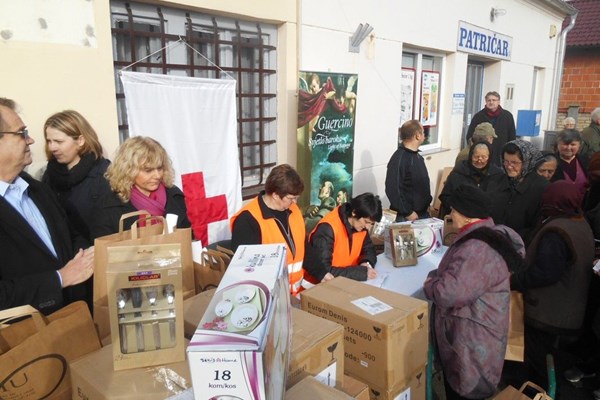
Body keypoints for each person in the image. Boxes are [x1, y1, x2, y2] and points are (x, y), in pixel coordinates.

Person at [424, 184, 525, 400]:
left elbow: (448, 293)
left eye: (453, 210)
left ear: (467, 215)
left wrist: (431, 282)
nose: (450, 215)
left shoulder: (476, 249)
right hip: (480, 333)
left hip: (471, 342)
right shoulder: (489, 235)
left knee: (465, 392)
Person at [0, 98, 94, 314]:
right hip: (28, 340)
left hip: (77, 321)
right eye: (21, 133)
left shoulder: (38, 189)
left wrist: (89, 254)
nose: (31, 140)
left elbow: (71, 236)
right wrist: (59, 279)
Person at [511, 181, 594, 392]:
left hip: (548, 311)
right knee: (545, 360)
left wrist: (514, 279)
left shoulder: (557, 232)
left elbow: (544, 273)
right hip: (569, 305)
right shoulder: (579, 221)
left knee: (536, 362)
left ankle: (534, 394)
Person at [91, 136, 191, 238]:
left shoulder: (174, 196)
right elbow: (104, 248)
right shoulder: (108, 206)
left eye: (160, 168)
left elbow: (188, 239)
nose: (157, 175)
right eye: (148, 170)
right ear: (128, 170)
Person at [230, 164, 306, 295]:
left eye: (296, 198)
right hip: (269, 298)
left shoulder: (294, 210)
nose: (295, 202)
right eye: (291, 198)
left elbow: (303, 247)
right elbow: (246, 272)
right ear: (276, 195)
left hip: (295, 294)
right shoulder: (248, 220)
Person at [42, 110, 112, 243]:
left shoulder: (105, 175)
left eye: (58, 141)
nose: (52, 147)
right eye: (49, 141)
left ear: (80, 140)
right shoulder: (49, 174)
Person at [303, 192, 381, 285]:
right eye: (366, 222)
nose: (368, 227)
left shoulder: (361, 226)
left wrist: (366, 262)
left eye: (371, 224)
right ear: (354, 212)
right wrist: (360, 273)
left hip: (346, 283)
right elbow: (324, 271)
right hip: (318, 287)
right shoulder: (327, 228)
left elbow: (369, 249)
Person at [490, 139, 548, 243]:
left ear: (527, 162)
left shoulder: (541, 187)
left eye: (514, 162)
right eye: (506, 161)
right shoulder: (495, 181)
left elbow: (537, 226)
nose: (509, 166)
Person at [439, 141, 505, 219]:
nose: (479, 160)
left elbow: (501, 201)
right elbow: (445, 196)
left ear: (489, 157)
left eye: (484, 157)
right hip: (462, 218)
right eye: (476, 156)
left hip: (487, 220)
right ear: (471, 156)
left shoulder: (497, 175)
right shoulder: (459, 172)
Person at [385, 119, 432, 222]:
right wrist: (408, 212)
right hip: (407, 217)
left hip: (422, 214)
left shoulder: (417, 157)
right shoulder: (399, 159)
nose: (425, 135)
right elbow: (393, 189)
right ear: (417, 135)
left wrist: (427, 204)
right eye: (423, 132)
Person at [466, 91, 516, 167]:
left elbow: (512, 136)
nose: (491, 102)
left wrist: (510, 152)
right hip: (483, 156)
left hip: (501, 155)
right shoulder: (478, 116)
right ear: (486, 101)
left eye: (494, 100)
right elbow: (470, 136)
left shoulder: (507, 116)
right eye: (489, 100)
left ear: (499, 101)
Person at [551, 129, 588, 195]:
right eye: (565, 144)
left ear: (579, 145)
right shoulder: (550, 162)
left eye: (573, 144)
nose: (568, 148)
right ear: (557, 145)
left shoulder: (586, 161)